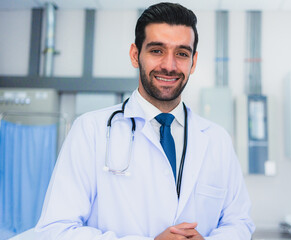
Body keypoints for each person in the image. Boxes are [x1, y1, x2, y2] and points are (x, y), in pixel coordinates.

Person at [36, 2, 255, 239]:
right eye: (157, 50)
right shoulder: (90, 131)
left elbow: (239, 222)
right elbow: (56, 229)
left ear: (193, 61)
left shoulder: (217, 139)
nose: (169, 66)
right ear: (134, 55)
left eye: (182, 53)